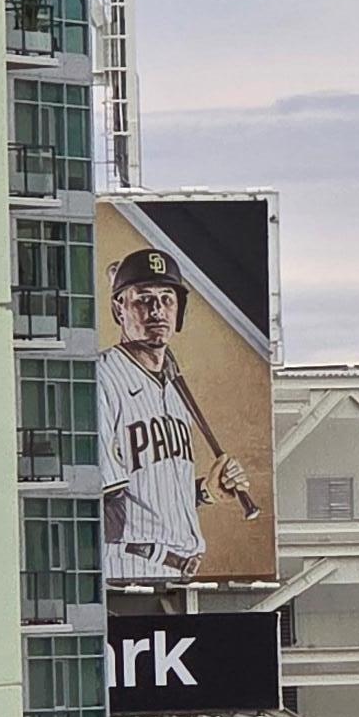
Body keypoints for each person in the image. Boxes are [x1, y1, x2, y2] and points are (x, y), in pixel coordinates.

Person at [98, 244, 252, 581]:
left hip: (179, 573)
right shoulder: (101, 378)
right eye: (142, 298)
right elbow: (106, 504)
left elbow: (153, 490)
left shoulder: (175, 385)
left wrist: (204, 492)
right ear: (119, 309)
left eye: (167, 298)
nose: (157, 310)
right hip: (127, 572)